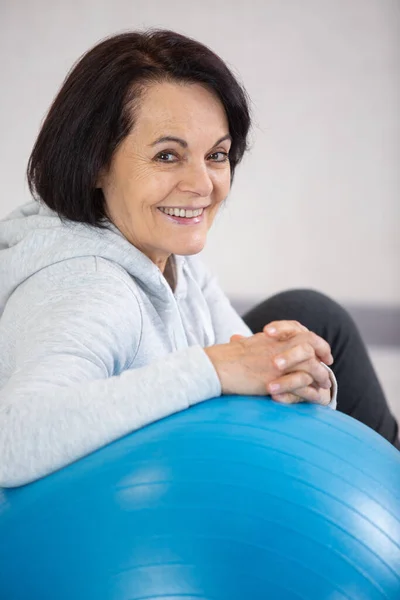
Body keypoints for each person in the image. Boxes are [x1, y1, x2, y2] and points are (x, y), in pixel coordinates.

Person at [0, 30, 397, 488]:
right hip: (101, 534)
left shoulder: (168, 257)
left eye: (216, 155)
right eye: (168, 155)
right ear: (95, 163)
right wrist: (210, 368)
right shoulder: (87, 287)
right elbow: (12, 439)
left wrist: (300, 381)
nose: (203, 184)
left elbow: (248, 363)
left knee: (314, 321)